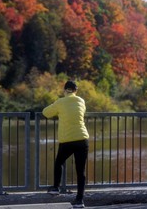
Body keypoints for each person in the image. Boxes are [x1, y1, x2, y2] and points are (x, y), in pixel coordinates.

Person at [42, 80, 89, 208]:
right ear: (76, 91)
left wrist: (56, 107)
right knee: (81, 171)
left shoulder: (60, 102)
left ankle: (55, 188)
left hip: (67, 140)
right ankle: (79, 200)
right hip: (82, 139)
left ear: (65, 90)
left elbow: (45, 112)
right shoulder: (81, 101)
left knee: (59, 162)